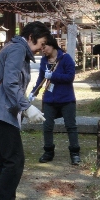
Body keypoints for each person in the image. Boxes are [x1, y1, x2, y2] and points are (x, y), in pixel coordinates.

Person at [0, 21, 50, 200]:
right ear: (31, 37)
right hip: (0, 111)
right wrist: (26, 107)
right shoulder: (19, 49)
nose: (41, 49)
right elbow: (10, 83)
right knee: (15, 160)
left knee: (5, 160)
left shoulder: (13, 46)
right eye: (41, 43)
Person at [28, 35, 81, 165]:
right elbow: (41, 78)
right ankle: (48, 152)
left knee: (71, 126)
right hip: (49, 99)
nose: (43, 51)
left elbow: (70, 77)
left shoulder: (66, 58)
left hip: (66, 99)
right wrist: (34, 92)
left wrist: (54, 76)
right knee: (47, 126)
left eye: (44, 47)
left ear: (52, 45)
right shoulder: (44, 61)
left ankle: (75, 153)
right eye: (41, 49)